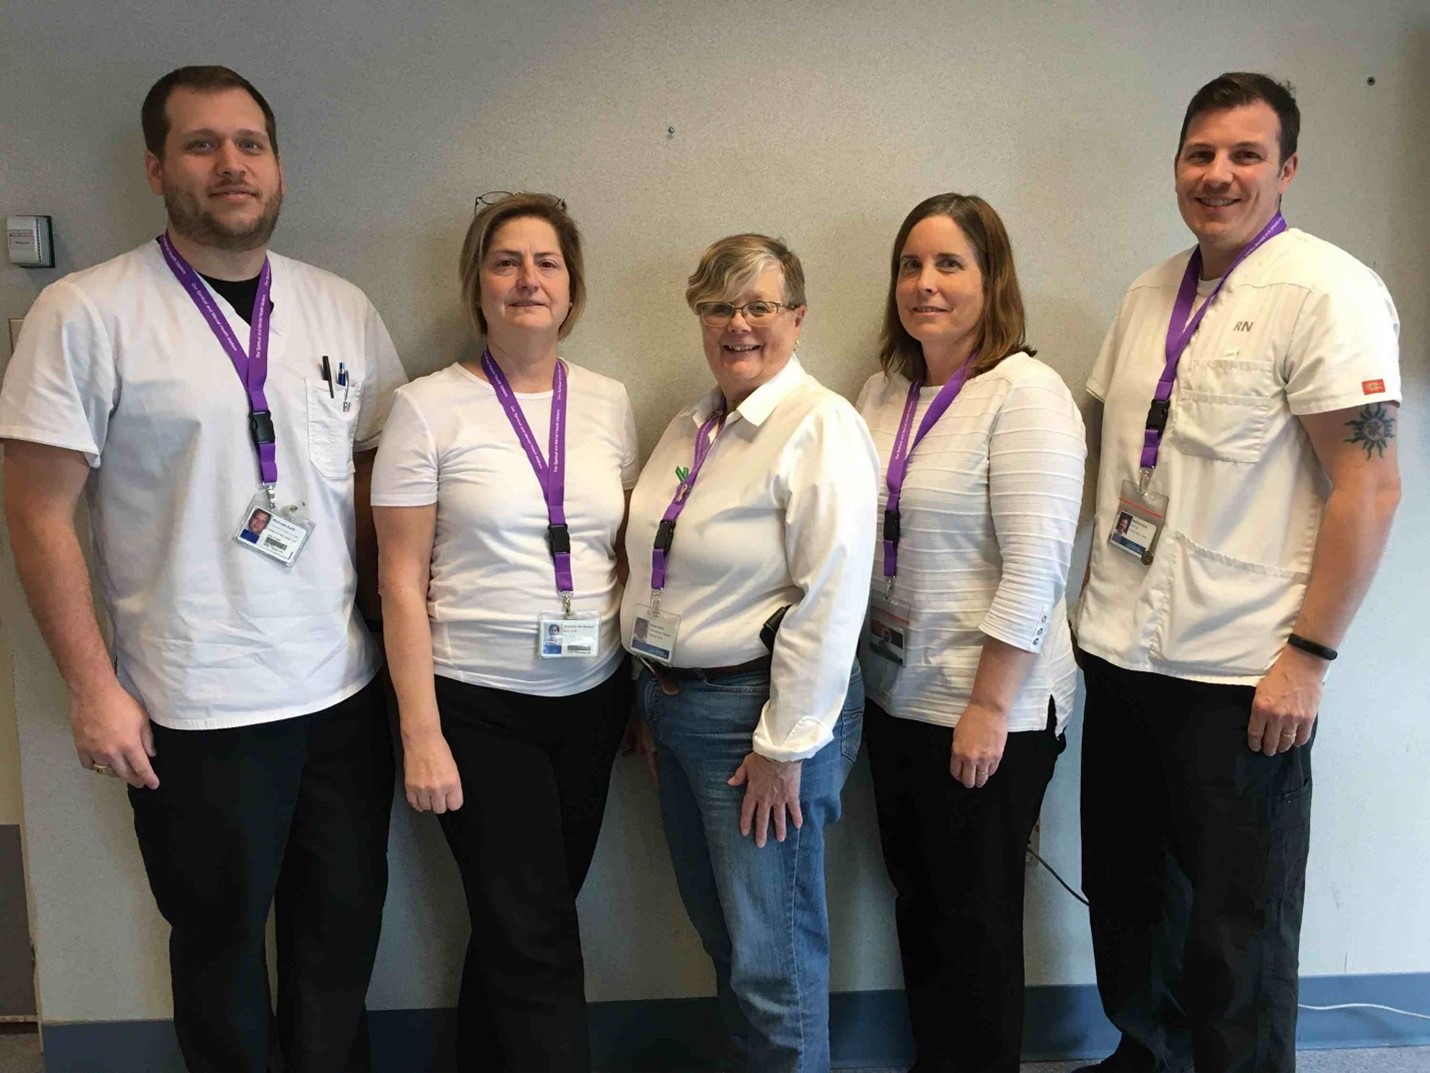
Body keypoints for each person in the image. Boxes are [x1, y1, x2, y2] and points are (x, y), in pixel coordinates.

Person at [0, 66, 407, 1072]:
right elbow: (35, 507)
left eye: (250, 143)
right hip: (194, 705)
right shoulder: (84, 311)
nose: (231, 163)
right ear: (155, 166)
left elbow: (375, 479)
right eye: (201, 144)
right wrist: (93, 689)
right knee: (221, 959)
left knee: (338, 946)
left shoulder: (338, 308)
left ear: (275, 165)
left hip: (342, 696)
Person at [1075, 73, 1401, 1073]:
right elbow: (1116, 459)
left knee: (1233, 932)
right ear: (1176, 164)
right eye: (1199, 153)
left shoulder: (1325, 292)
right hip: (1121, 651)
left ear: (1285, 167)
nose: (1217, 174)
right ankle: (1148, 1054)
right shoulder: (1145, 292)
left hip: (1239, 677)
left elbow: (1369, 485)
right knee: (1129, 902)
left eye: (1243, 154)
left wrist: (1305, 657)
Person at [371, 192, 636, 1072]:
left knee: (523, 918)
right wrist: (421, 733)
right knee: (540, 939)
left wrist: (634, 685)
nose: (528, 279)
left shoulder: (609, 402)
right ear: (476, 287)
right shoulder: (426, 408)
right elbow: (399, 582)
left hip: (590, 704)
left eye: (547, 263)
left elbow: (619, 551)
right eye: (506, 261)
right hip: (476, 710)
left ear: (572, 290)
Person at [621, 233, 878, 1073]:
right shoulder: (692, 424)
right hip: (678, 704)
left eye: (759, 305)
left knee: (774, 958)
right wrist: (652, 696)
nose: (738, 323)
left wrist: (784, 746)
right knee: (726, 938)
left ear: (797, 319)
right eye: (719, 306)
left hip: (759, 724)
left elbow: (832, 595)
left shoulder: (818, 425)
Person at [855, 194, 1085, 1073]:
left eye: (951, 264)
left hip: (991, 709)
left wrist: (989, 705)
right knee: (918, 900)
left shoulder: (1025, 395)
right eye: (911, 265)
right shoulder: (883, 391)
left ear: (993, 282)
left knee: (977, 920)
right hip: (894, 693)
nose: (926, 283)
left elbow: (1036, 566)